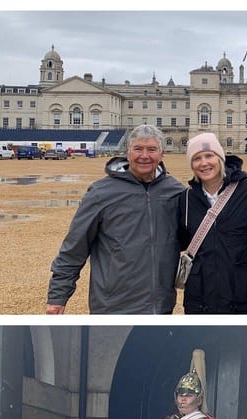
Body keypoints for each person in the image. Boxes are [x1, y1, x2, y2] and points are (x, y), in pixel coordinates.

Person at [46, 124, 185, 314]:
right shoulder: (101, 192)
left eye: (152, 149)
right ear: (127, 152)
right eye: (138, 149)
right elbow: (74, 248)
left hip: (160, 307)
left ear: (162, 154)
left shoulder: (175, 191)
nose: (144, 155)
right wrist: (58, 297)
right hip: (113, 306)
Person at [180, 132, 247, 313]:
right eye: (196, 158)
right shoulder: (186, 198)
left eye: (209, 155)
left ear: (220, 158)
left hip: (239, 295)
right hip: (199, 298)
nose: (204, 163)